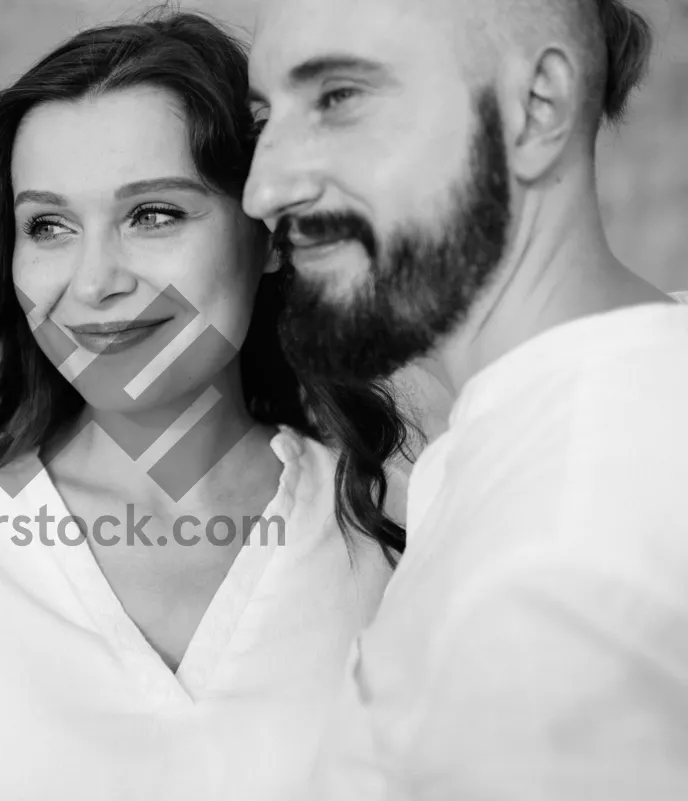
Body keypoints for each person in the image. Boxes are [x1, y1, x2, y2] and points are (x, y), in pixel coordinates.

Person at [0, 11, 418, 801]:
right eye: (49, 226)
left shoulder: (389, 536)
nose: (95, 278)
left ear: (270, 232)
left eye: (154, 215)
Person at [242, 0, 688, 797]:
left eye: (339, 98)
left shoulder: (557, 588)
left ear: (536, 107)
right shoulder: (620, 390)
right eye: (266, 117)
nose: (263, 187)